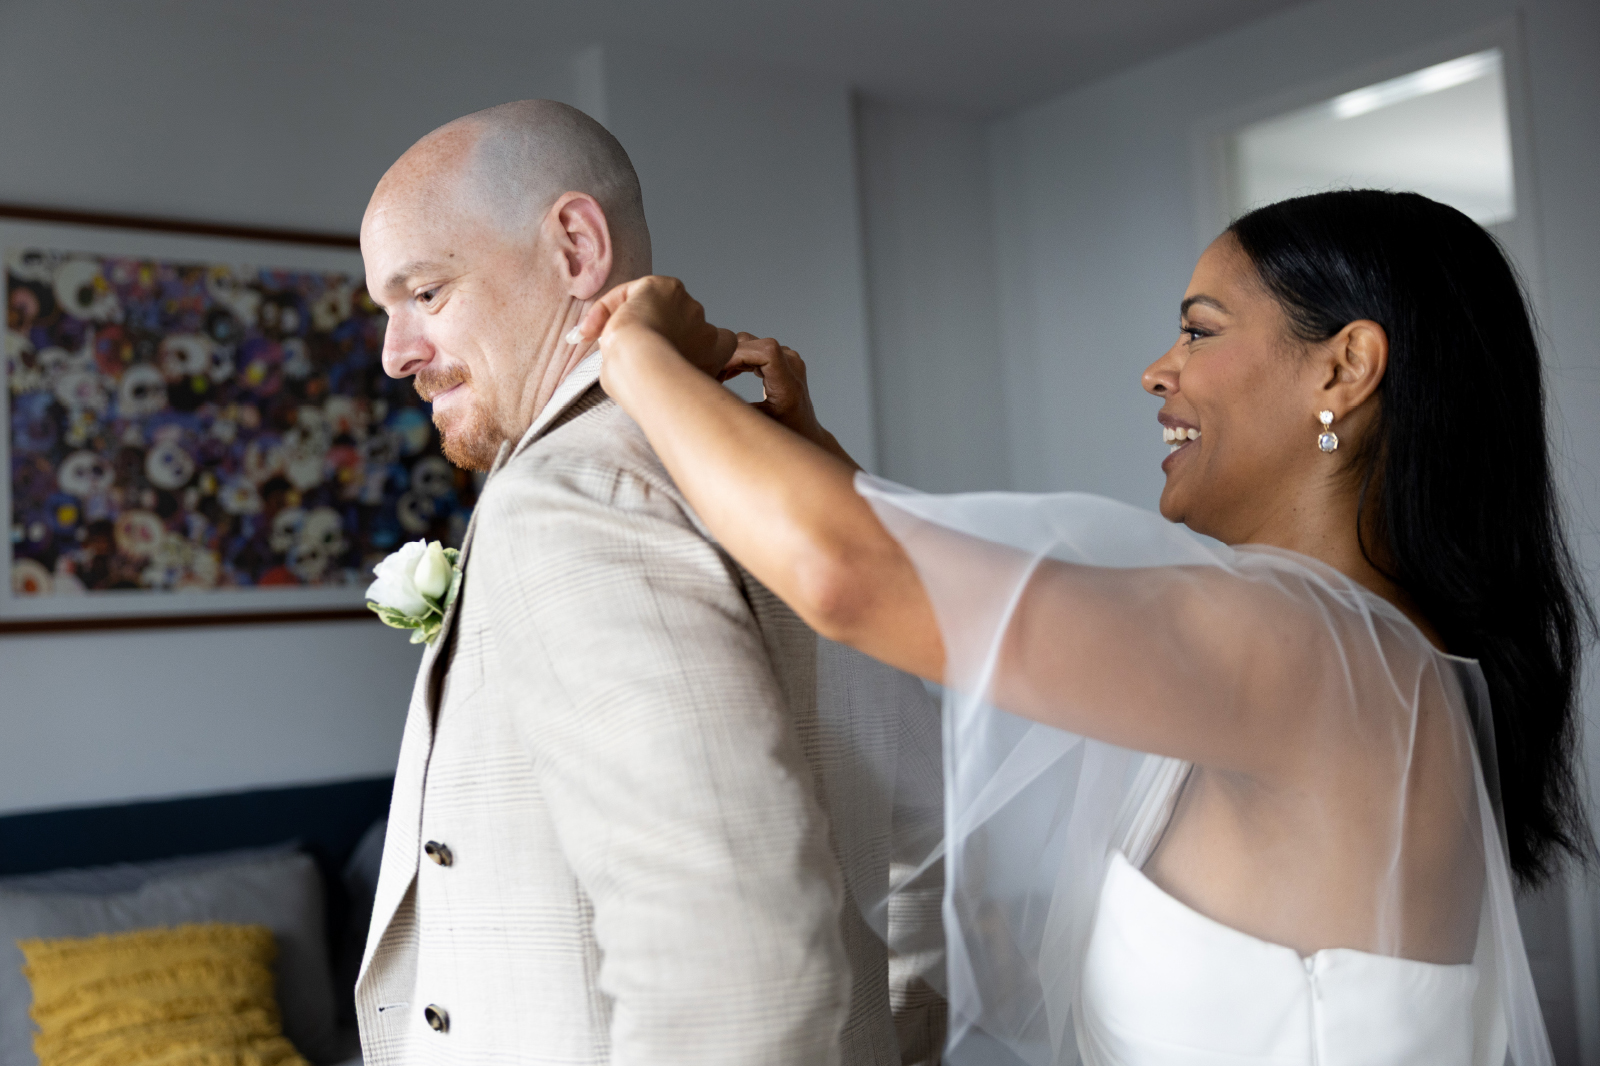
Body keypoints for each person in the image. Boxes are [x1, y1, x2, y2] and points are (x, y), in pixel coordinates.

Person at [577, 189, 1592, 1065]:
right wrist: (821, 459)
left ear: (1342, 370)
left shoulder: (1301, 644)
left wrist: (629, 350)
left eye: (1198, 329)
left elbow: (849, 578)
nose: (1159, 371)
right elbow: (936, 592)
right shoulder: (1360, 653)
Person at [354, 99, 943, 1066]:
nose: (395, 355)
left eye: (426, 294)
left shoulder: (567, 491)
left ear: (577, 247)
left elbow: (734, 951)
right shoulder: (769, 470)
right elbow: (932, 845)